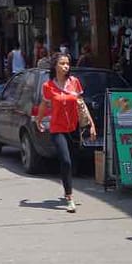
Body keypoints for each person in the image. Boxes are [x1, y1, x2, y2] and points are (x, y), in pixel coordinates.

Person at [38, 53, 97, 213]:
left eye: (67, 64)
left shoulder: (74, 83)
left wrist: (91, 124)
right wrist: (39, 120)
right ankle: (69, 197)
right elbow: (44, 104)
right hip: (57, 128)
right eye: (62, 63)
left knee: (73, 163)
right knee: (66, 161)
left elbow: (82, 104)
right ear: (55, 66)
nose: (66, 67)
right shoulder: (48, 86)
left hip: (73, 128)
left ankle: (66, 187)